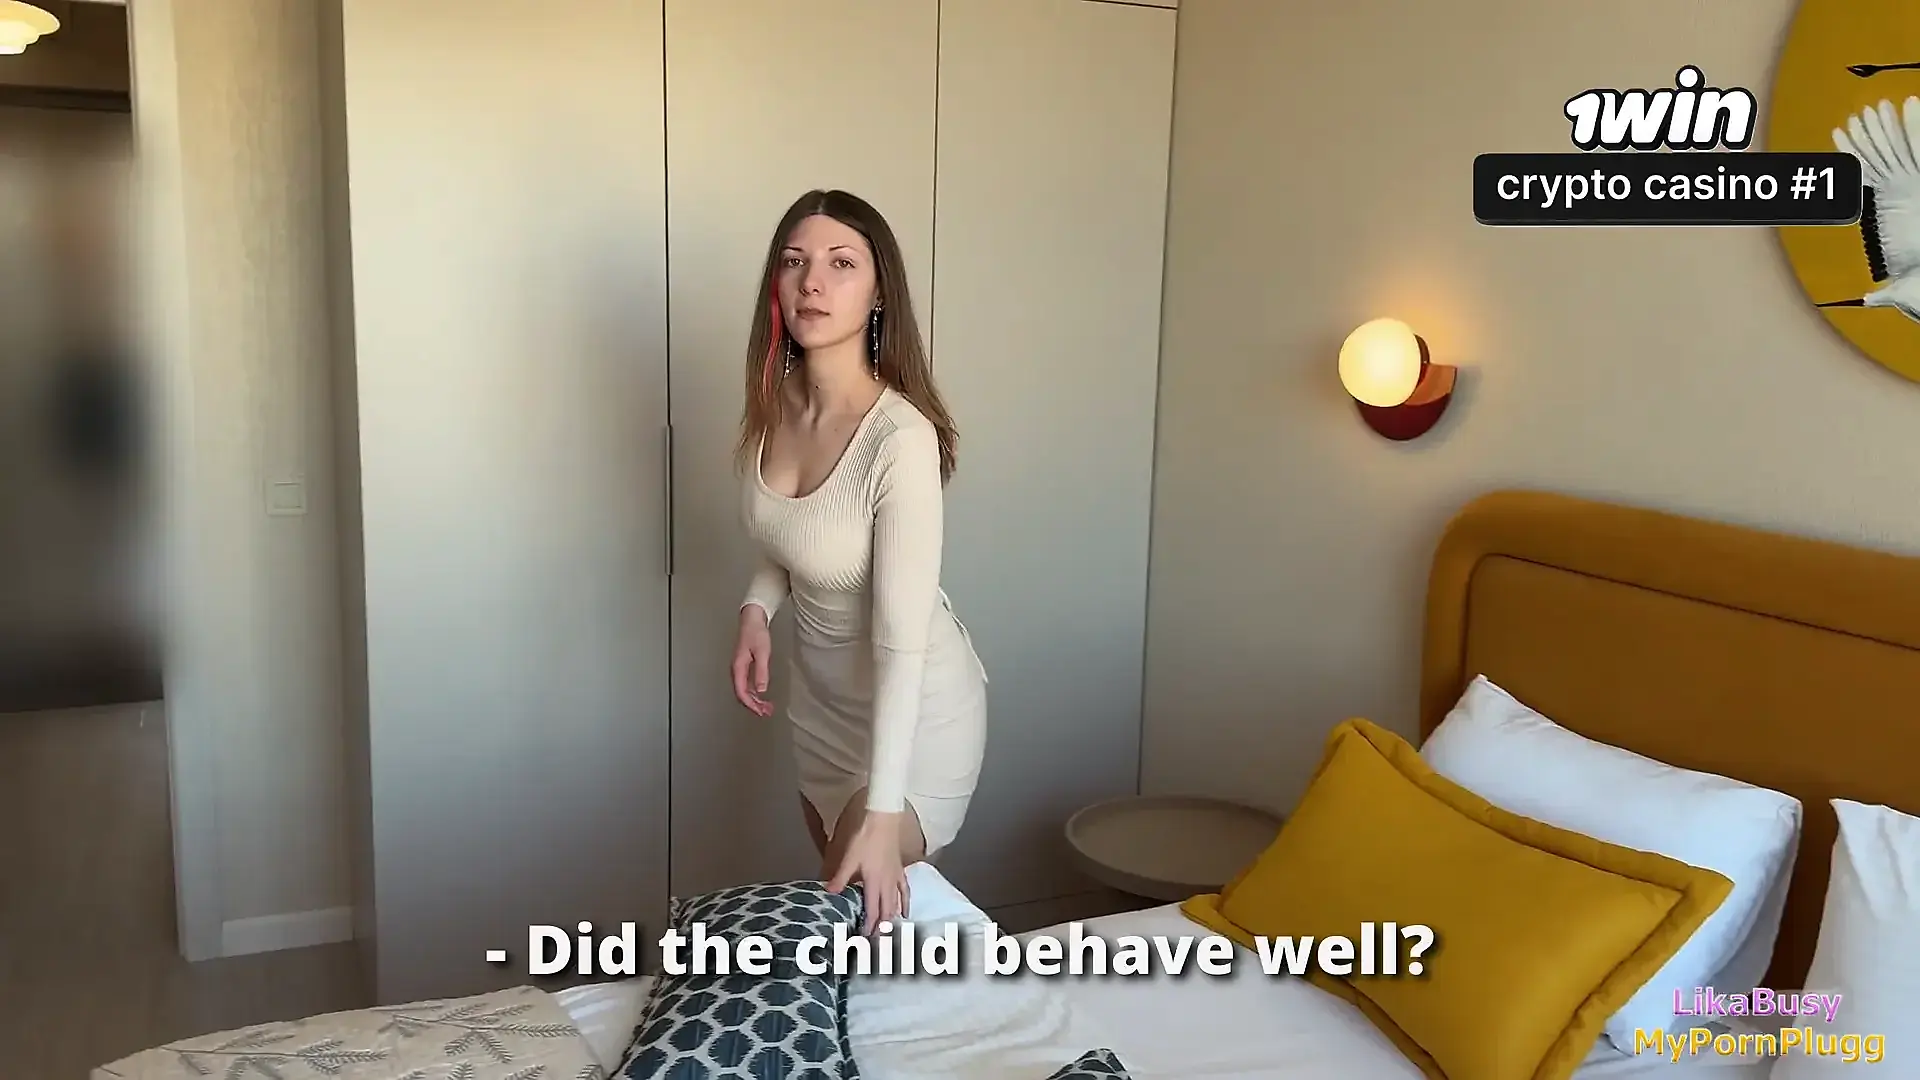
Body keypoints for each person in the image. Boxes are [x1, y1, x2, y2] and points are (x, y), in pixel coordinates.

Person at [730, 189, 988, 933]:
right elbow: (798, 535)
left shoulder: (899, 439)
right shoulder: (776, 404)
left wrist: (882, 812)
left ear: (879, 295)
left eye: (841, 263)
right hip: (822, 712)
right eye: (794, 262)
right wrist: (756, 608)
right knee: (861, 935)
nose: (812, 281)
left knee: (848, 921)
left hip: (914, 714)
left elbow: (900, 644)